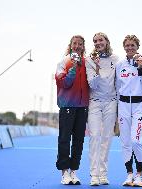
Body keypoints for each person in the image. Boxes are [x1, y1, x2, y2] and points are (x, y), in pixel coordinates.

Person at [115, 35, 142, 187]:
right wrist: (118, 109)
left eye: (133, 45)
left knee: (135, 140)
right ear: (124, 47)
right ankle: (129, 175)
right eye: (127, 45)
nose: (130, 47)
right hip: (123, 106)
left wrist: (140, 68)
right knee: (125, 142)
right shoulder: (120, 65)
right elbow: (118, 87)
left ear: (137, 46)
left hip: (139, 106)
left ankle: (139, 175)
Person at [55, 35, 89, 185]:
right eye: (75, 43)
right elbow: (64, 83)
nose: (77, 46)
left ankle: (74, 171)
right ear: (70, 45)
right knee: (64, 139)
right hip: (67, 105)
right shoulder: (64, 62)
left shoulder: (87, 62)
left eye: (80, 44)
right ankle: (64, 173)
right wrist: (73, 69)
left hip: (83, 107)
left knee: (79, 140)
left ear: (83, 46)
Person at [86, 32, 119, 186]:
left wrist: (119, 107)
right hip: (95, 102)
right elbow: (92, 84)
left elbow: (118, 84)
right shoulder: (89, 60)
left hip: (111, 102)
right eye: (95, 41)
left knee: (106, 138)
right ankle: (94, 175)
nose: (98, 43)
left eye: (100, 40)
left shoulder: (116, 60)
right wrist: (97, 67)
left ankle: (103, 174)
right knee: (95, 137)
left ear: (107, 41)